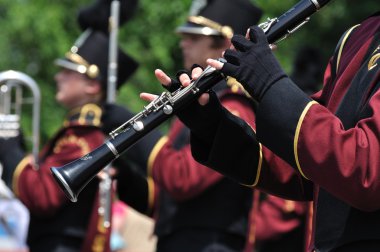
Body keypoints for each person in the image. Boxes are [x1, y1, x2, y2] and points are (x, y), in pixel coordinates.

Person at [164, 11, 380, 252]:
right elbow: (310, 168)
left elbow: (368, 171)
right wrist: (216, 128)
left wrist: (271, 85)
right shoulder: (358, 35)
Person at [0, 26, 161, 251]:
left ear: (93, 85)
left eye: (69, 72)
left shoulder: (82, 138)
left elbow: (42, 195)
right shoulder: (76, 134)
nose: (58, 77)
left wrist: (8, 149)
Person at [118, 0, 262, 251]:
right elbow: (166, 203)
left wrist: (138, 136)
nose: (184, 43)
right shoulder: (201, 100)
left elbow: (184, 180)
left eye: (194, 38)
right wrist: (123, 173)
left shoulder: (234, 105)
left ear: (225, 43)